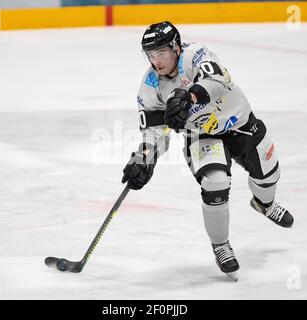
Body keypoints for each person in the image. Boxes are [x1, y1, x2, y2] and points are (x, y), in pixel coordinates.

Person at [121, 21, 294, 279]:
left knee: (268, 175)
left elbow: (218, 81)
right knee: (216, 183)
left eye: (161, 53)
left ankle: (264, 204)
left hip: (239, 121)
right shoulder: (150, 86)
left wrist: (190, 96)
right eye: (151, 55)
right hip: (201, 135)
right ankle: (221, 245)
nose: (156, 61)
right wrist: (143, 159)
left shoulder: (196, 54)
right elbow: (154, 132)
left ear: (176, 47)